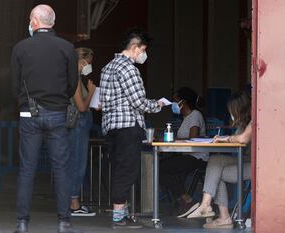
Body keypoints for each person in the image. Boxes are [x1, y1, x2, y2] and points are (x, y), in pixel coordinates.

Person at [11, 4, 80, 233]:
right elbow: (72, 85)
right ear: (53, 21)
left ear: (33, 20)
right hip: (58, 113)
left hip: (29, 114)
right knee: (61, 168)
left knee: (27, 169)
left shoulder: (21, 48)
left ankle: (22, 222)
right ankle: (64, 222)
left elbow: (14, 85)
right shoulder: (67, 48)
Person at [100, 28, 164, 229]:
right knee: (127, 170)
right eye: (143, 50)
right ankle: (119, 216)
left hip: (111, 127)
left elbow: (103, 101)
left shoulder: (107, 68)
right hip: (128, 127)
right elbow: (139, 102)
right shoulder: (128, 69)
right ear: (135, 48)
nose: (144, 55)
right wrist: (158, 104)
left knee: (119, 168)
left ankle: (123, 212)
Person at [184, 92, 252, 229]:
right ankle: (207, 205)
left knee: (216, 173)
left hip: (256, 164)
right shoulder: (244, 122)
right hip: (245, 159)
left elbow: (242, 139)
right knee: (214, 161)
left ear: (239, 108)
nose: (231, 113)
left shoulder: (255, 119)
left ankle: (222, 216)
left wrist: (225, 139)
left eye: (232, 110)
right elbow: (238, 139)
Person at [159, 87, 208, 213]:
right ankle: (183, 198)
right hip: (187, 155)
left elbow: (193, 138)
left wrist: (176, 140)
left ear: (183, 102)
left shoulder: (195, 115)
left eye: (175, 101)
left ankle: (185, 199)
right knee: (160, 167)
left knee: (160, 169)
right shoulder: (186, 118)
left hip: (197, 157)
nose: (173, 104)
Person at [69, 47, 96, 216]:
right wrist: (92, 91)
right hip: (78, 124)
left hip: (79, 124)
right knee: (78, 163)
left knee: (74, 162)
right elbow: (81, 107)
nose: (89, 66)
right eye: (88, 62)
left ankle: (72, 201)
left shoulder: (73, 77)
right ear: (81, 61)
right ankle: (73, 203)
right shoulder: (75, 79)